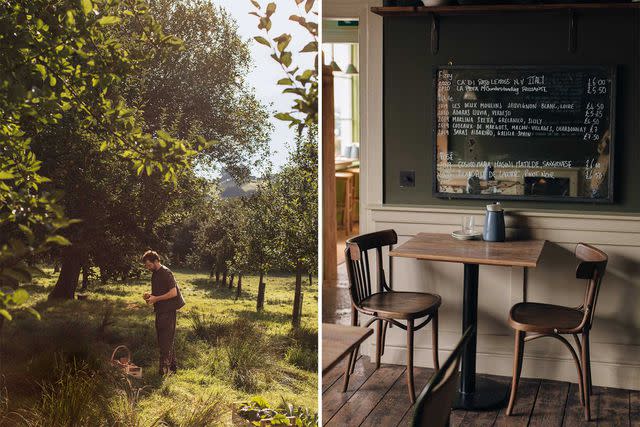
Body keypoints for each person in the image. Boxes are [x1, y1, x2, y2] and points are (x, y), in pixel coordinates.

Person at [142, 250, 185, 375]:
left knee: (165, 340)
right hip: (160, 310)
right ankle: (173, 368)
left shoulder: (166, 272)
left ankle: (163, 372)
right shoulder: (155, 273)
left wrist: (156, 298)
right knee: (164, 339)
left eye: (149, 265)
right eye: (146, 266)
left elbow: (173, 293)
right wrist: (151, 297)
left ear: (156, 261)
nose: (148, 268)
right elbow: (160, 292)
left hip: (168, 310)